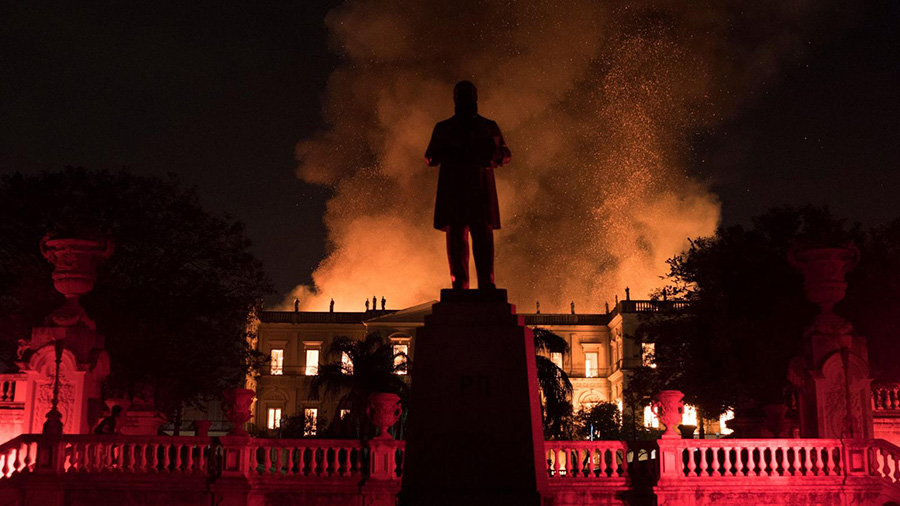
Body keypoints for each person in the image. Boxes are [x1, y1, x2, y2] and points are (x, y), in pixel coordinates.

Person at [426, 80, 511, 290]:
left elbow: (505, 154)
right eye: (461, 95)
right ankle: (460, 285)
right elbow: (430, 157)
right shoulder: (444, 128)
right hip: (456, 194)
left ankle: (486, 283)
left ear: (475, 98)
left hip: (478, 194)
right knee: (457, 243)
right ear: (455, 99)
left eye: (468, 95)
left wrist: (492, 155)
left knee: (482, 241)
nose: (465, 99)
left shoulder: (487, 126)